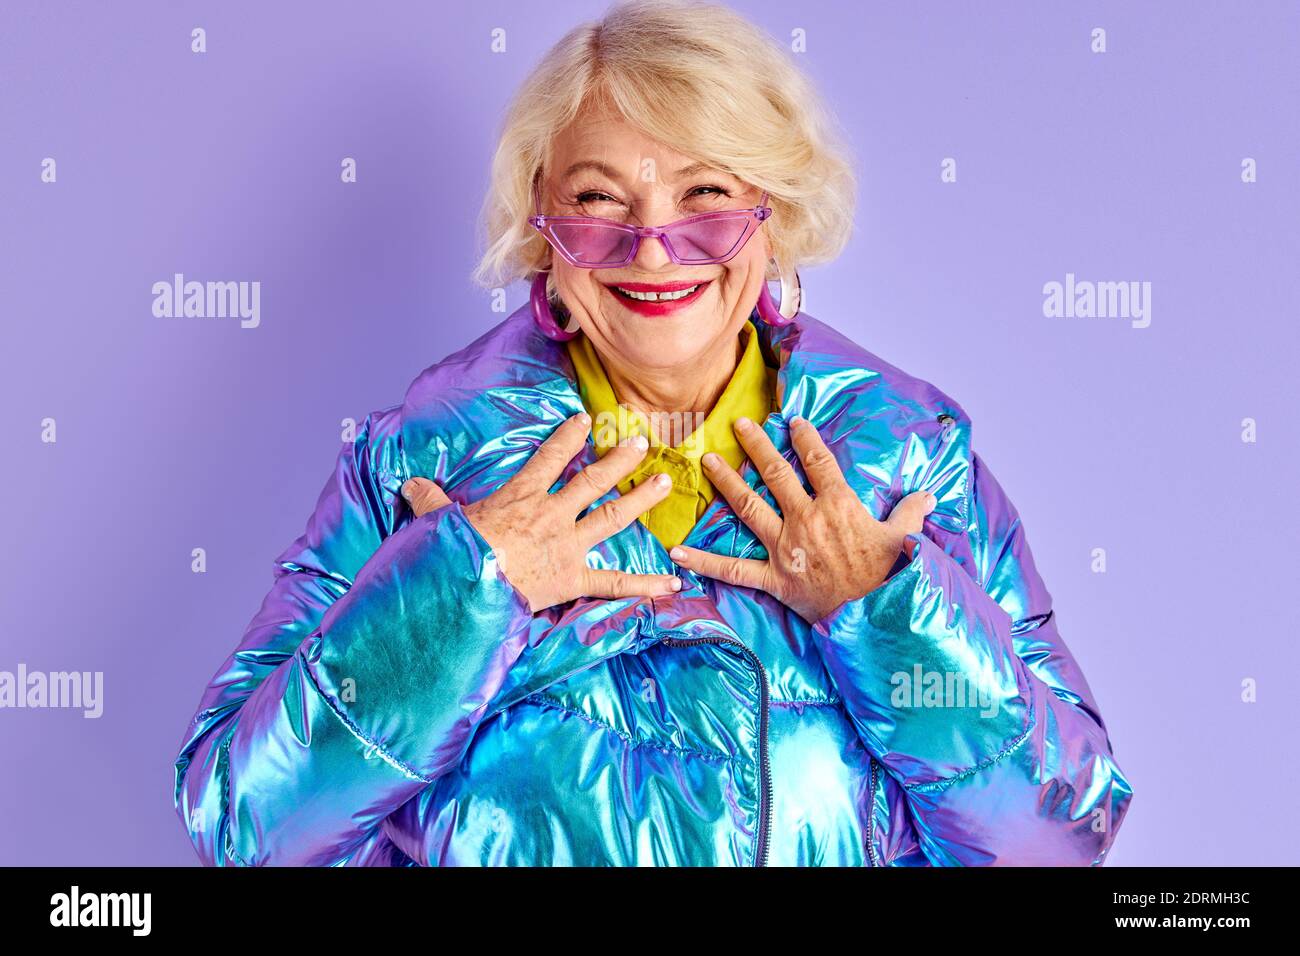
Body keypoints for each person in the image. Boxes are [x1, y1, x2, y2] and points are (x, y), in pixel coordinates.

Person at [173, 0, 1132, 866]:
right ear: (541, 224)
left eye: (707, 193)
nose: (653, 247)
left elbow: (1059, 837)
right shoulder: (418, 461)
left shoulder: (911, 457)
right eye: (597, 201)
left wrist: (884, 612)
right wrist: (464, 592)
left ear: (776, 215)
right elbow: (244, 826)